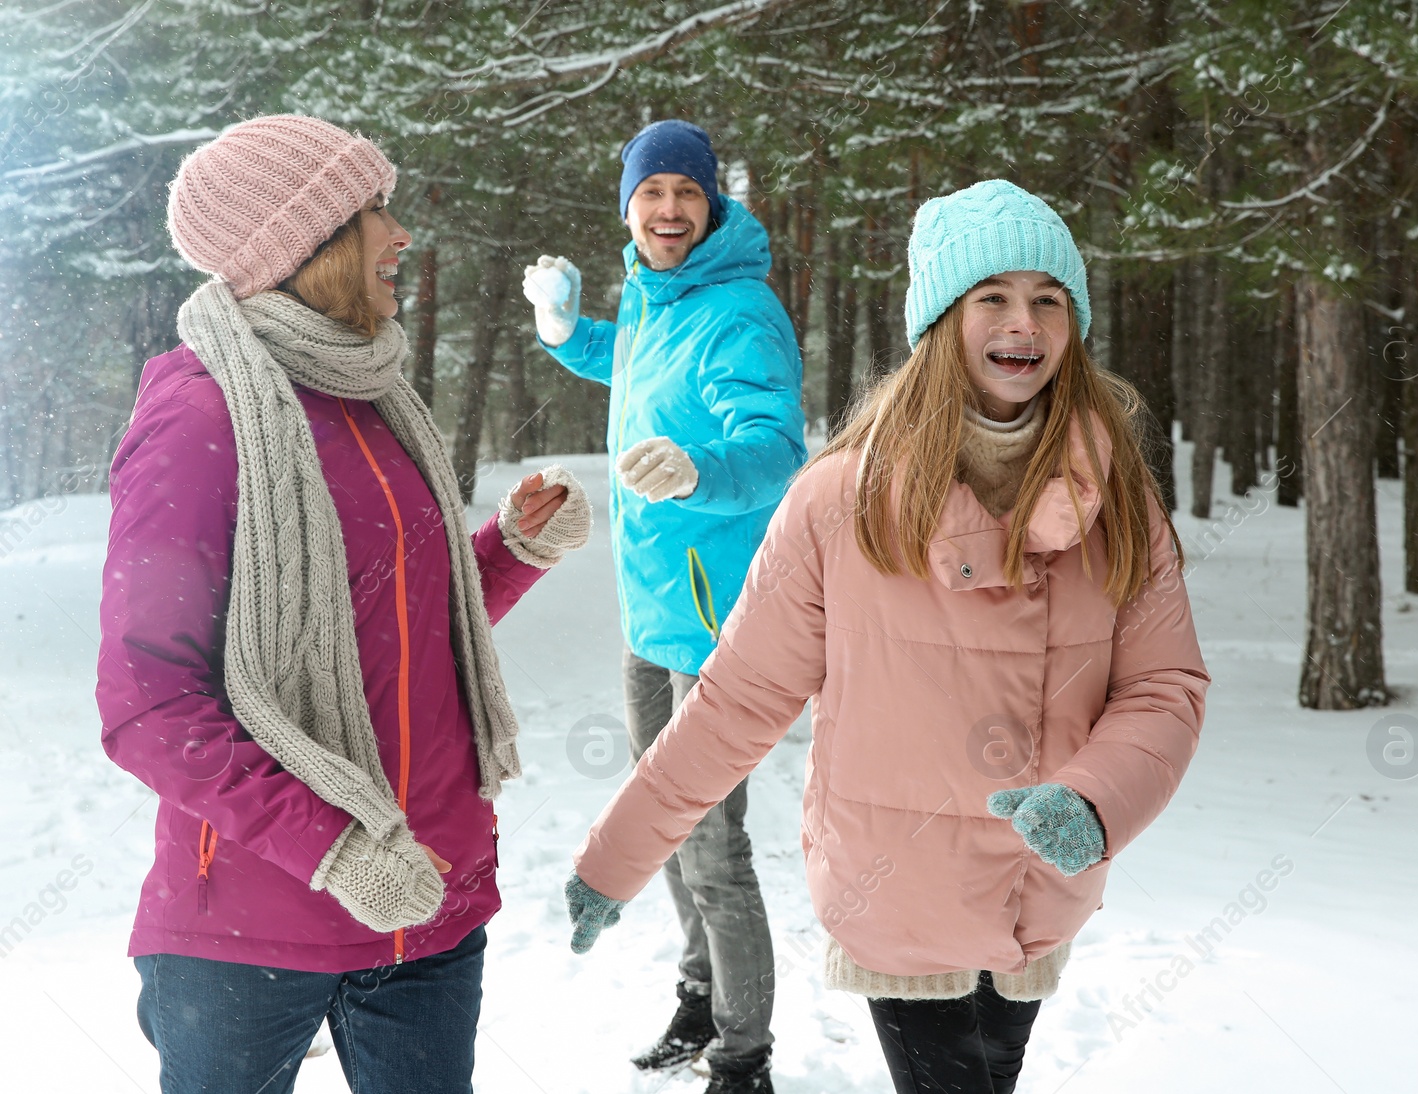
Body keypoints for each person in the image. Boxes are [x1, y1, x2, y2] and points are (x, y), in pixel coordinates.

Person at [561, 179, 1210, 1094]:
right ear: (942, 320)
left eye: (1048, 300)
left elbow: (1165, 686)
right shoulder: (840, 500)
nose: (1022, 322)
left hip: (1044, 892)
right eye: (992, 296)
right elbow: (739, 699)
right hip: (897, 898)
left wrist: (1095, 803)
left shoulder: (1120, 497)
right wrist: (616, 856)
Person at [97, 114, 591, 1094]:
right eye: (371, 211)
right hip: (248, 931)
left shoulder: (373, 396)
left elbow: (392, 628)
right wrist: (332, 845)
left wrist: (509, 551)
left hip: (428, 903)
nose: (399, 233)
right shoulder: (199, 413)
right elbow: (148, 705)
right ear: (300, 242)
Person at [523, 119, 804, 1092]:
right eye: (653, 194)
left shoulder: (739, 310)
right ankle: (699, 992)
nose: (670, 210)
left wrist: (699, 472)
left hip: (716, 626)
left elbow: (774, 447)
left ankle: (745, 1052)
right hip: (649, 616)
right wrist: (564, 331)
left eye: (687, 193)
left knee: (714, 848)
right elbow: (628, 359)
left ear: (711, 202)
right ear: (628, 207)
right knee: (666, 827)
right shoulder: (654, 298)